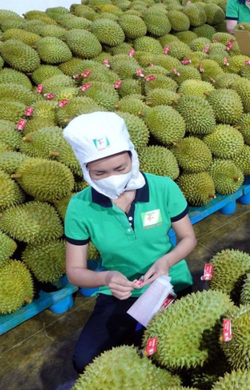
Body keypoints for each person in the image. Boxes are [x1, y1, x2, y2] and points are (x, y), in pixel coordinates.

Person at [62, 112, 197, 373]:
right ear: (85, 170)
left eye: (121, 168)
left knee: (183, 356)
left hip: (169, 284)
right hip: (119, 292)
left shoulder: (163, 187)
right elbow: (75, 272)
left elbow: (188, 238)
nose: (113, 177)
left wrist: (166, 261)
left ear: (133, 157)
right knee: (86, 362)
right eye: (100, 172)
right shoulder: (80, 206)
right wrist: (107, 278)